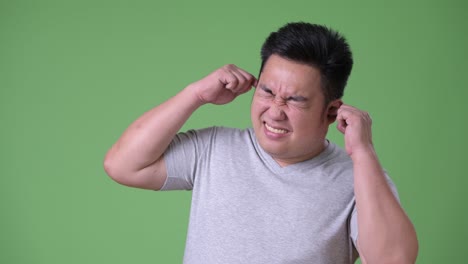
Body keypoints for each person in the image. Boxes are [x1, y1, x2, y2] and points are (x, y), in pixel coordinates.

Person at [104, 22, 418, 263]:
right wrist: (195, 95)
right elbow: (122, 165)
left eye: (295, 100)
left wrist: (363, 153)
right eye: (267, 92)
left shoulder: (358, 180)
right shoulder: (215, 148)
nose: (275, 112)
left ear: (331, 111)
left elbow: (392, 260)